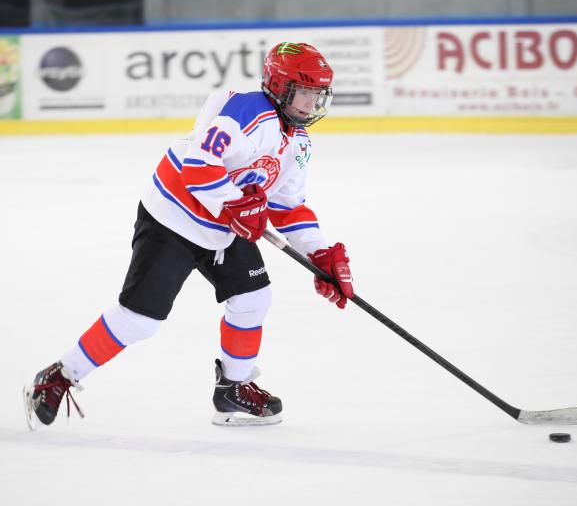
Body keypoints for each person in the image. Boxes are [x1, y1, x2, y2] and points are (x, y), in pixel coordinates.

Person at [23, 41, 355, 428]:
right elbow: (198, 164)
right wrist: (234, 202)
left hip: (223, 228)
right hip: (174, 219)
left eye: (318, 95)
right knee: (140, 320)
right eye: (305, 93)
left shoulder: (298, 142)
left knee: (252, 298)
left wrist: (319, 254)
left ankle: (233, 388)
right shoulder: (246, 111)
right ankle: (59, 375)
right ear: (279, 86)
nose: (311, 105)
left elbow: (287, 205)